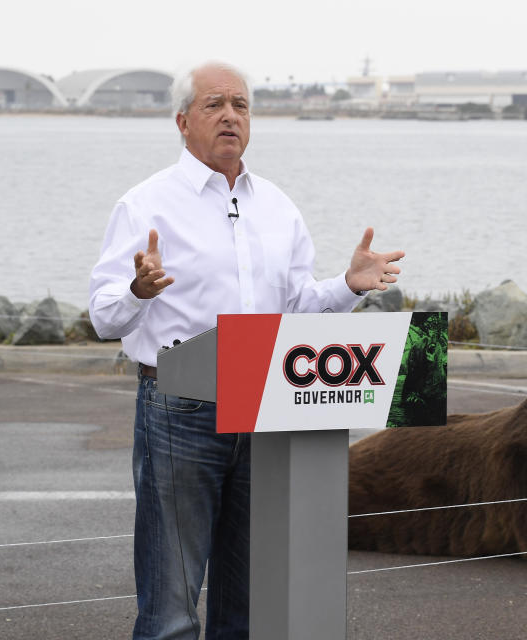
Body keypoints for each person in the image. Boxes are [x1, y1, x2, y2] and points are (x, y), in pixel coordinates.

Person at [88, 61, 403, 640]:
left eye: (241, 104)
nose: (230, 115)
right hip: (179, 406)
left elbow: (299, 310)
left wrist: (348, 286)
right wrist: (137, 290)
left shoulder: (277, 207)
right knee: (171, 605)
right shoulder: (145, 205)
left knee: (254, 604)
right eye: (214, 104)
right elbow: (103, 317)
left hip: (267, 405)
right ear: (183, 121)